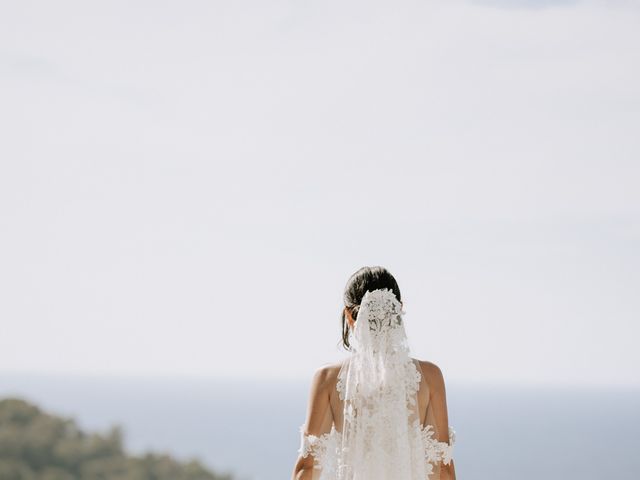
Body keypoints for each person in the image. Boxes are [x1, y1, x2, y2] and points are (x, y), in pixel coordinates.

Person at [291, 266, 457, 480]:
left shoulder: (327, 380)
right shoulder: (430, 377)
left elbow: (308, 467)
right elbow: (442, 468)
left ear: (349, 316)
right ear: (399, 309)